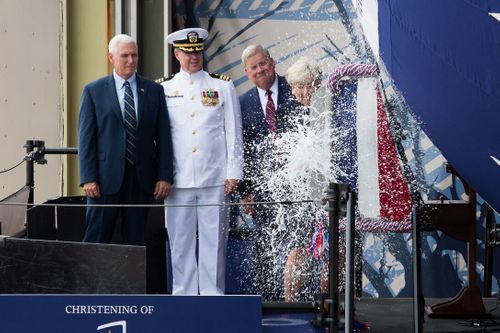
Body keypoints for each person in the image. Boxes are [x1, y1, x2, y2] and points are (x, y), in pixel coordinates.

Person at [158, 28, 243, 295]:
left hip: (214, 177)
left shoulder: (222, 85)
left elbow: (233, 131)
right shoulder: (163, 88)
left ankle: (212, 295)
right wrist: (161, 175)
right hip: (178, 179)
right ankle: (182, 295)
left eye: (197, 51)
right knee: (180, 242)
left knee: (214, 242)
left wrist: (234, 172)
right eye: (187, 52)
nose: (194, 56)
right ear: (176, 53)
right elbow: (159, 137)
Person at [78, 34, 173, 246]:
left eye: (134, 55)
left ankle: (131, 282)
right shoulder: (93, 91)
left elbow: (164, 136)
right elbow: (86, 138)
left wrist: (164, 175)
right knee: (96, 239)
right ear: (111, 57)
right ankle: (92, 280)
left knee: (135, 243)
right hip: (103, 180)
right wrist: (88, 177)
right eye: (125, 56)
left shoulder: (154, 90)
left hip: (141, 179)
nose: (131, 60)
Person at [239, 44, 300, 300]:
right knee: (263, 246)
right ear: (247, 72)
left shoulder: (296, 88)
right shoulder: (242, 103)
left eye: (263, 63)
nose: (260, 70)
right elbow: (242, 149)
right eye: (253, 67)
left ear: (272, 62)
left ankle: (299, 301)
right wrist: (246, 191)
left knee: (298, 246)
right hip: (263, 190)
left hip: (297, 187)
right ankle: (266, 302)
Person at [282, 56, 335, 301]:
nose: (305, 91)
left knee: (332, 252)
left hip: (327, 192)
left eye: (309, 85)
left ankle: (329, 308)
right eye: (299, 86)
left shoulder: (329, 107)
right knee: (299, 249)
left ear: (318, 84)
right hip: (302, 195)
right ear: (292, 88)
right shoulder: (289, 114)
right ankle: (290, 304)